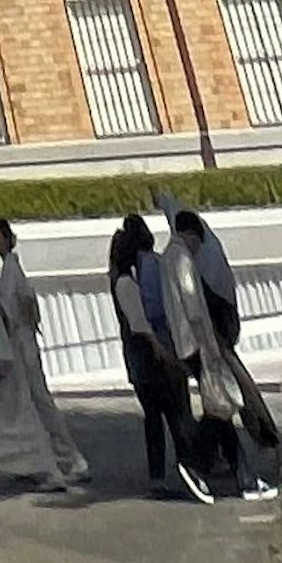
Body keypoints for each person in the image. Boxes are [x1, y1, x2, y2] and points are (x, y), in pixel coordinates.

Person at [0, 219, 88, 498]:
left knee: (28, 410)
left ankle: (56, 464)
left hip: (13, 354)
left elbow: (1, 318)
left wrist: (2, 357)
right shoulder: (1, 273)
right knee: (17, 414)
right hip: (14, 351)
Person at [166, 204, 280, 500]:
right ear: (191, 234)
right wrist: (210, 347)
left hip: (184, 344)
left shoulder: (167, 257)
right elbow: (193, 307)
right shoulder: (181, 258)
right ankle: (197, 462)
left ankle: (242, 477)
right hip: (199, 344)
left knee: (221, 405)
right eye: (197, 242)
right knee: (221, 406)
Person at [108, 210, 203, 501]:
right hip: (153, 355)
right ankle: (189, 468)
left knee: (155, 417)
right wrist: (163, 350)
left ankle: (161, 475)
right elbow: (142, 323)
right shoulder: (138, 277)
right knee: (176, 413)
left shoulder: (123, 280)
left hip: (140, 360)